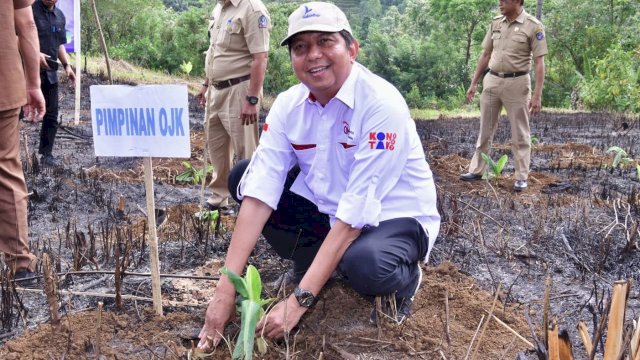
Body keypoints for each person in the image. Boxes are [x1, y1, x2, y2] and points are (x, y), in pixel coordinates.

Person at [198, 1, 440, 348]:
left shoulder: (381, 105)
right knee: (243, 178)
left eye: (326, 42)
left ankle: (404, 281)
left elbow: (357, 210)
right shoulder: (289, 105)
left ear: (351, 49)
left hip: (393, 216)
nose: (313, 55)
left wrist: (298, 302)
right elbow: (262, 187)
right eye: (301, 47)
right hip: (331, 213)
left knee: (366, 264)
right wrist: (225, 287)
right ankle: (314, 266)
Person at [460, 0, 547, 191]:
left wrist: (538, 95)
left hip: (517, 83)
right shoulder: (496, 23)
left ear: (517, 1)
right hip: (492, 80)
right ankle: (476, 169)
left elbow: (540, 63)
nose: (500, 4)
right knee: (485, 128)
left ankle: (521, 177)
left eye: (504, 1)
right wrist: (474, 83)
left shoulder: (533, 26)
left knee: (520, 132)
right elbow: (485, 54)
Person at [196, 0, 271, 214]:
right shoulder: (219, 8)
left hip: (240, 89)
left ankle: (251, 201)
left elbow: (260, 58)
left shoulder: (252, 9)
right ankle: (220, 197)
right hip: (215, 90)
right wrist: (206, 84)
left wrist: (252, 99)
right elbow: (214, 51)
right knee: (217, 146)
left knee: (245, 149)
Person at [1, 0, 46, 285]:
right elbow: (26, 23)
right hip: (4, 81)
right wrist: (33, 84)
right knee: (5, 168)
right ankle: (21, 264)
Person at [32, 0, 75, 166]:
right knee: (17, 114)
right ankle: (9, 154)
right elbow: (17, 37)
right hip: (27, 72)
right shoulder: (29, 11)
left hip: (50, 73)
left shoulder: (60, 16)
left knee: (52, 115)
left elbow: (59, 45)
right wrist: (35, 53)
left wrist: (67, 66)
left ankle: (46, 154)